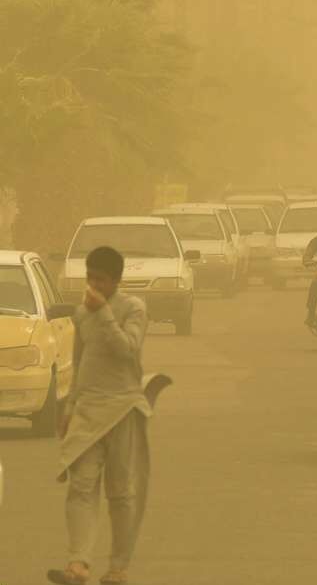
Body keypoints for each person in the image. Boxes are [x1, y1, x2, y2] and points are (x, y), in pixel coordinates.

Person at [49, 247, 164, 585]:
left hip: (124, 409)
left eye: (101, 279)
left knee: (121, 493)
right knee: (81, 486)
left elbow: (127, 350)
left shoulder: (133, 308)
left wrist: (104, 314)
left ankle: (117, 568)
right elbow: (81, 362)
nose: (94, 285)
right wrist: (69, 407)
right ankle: (78, 564)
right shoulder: (82, 313)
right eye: (90, 278)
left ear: (116, 280)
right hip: (87, 411)